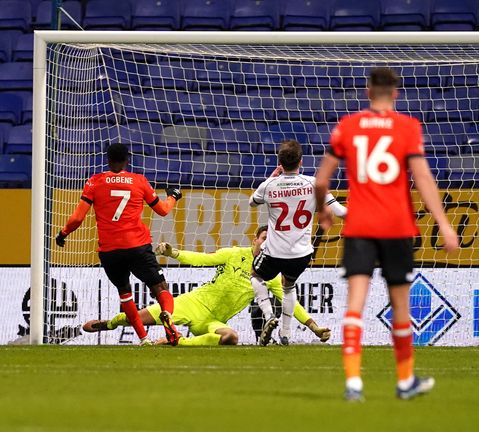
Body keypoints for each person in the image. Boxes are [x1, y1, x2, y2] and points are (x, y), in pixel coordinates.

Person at [314, 67, 459, 401]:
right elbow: (423, 178)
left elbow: (321, 181)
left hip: (360, 226)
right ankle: (405, 381)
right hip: (396, 227)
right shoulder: (408, 127)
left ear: (367, 92)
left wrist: (323, 210)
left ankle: (353, 384)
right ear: (395, 93)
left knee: (355, 305)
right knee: (401, 306)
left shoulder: (348, 126)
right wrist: (444, 223)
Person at [82, 226, 332, 345]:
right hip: (193, 303)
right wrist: (173, 253)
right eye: (264, 238)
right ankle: (108, 324)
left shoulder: (270, 272)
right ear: (254, 239)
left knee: (231, 337)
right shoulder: (234, 253)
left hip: (213, 320)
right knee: (136, 317)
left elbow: (294, 305)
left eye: (271, 240)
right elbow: (202, 259)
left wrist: (315, 328)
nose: (266, 244)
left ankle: (177, 343)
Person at [55, 143, 182, 346]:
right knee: (160, 287)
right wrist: (173, 197)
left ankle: (143, 339)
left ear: (107, 159)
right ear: (127, 160)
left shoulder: (94, 182)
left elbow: (78, 217)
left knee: (125, 294)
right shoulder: (139, 181)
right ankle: (167, 316)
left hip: (110, 251)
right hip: (137, 245)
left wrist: (63, 233)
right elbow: (163, 210)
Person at [250, 139, 347, 346]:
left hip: (274, 253)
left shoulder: (269, 185)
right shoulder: (314, 184)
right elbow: (341, 212)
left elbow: (252, 202)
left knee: (256, 275)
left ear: (280, 162)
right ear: (301, 162)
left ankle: (268, 316)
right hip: (301, 254)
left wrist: (271, 179)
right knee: (288, 286)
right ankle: (285, 334)